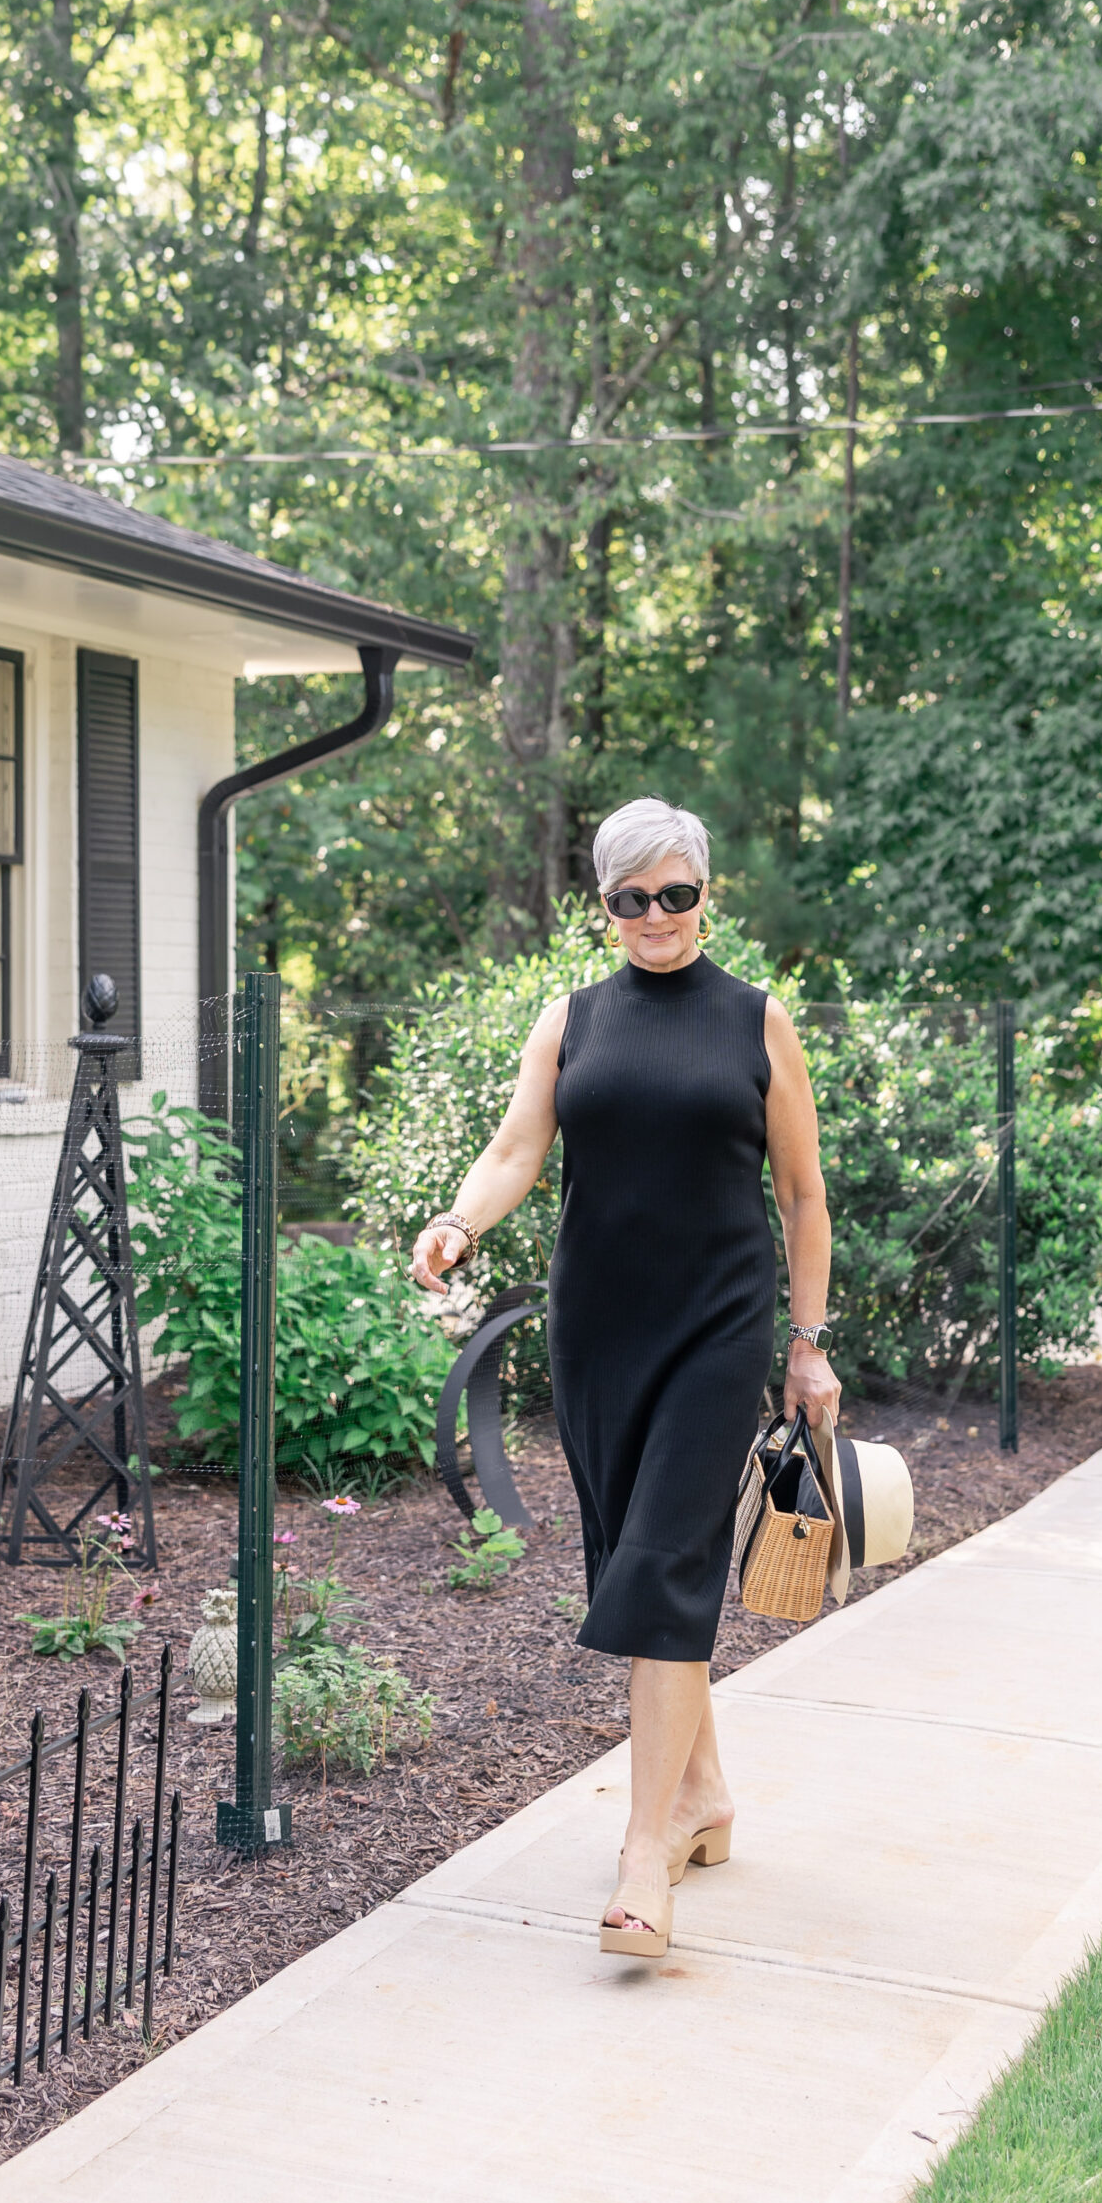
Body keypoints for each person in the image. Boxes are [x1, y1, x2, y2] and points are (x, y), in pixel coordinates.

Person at [411, 798, 840, 1958]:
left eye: (677, 893)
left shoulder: (758, 1021)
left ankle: (644, 1852)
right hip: (598, 1331)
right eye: (631, 898)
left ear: (708, 895)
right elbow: (516, 1148)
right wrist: (459, 1221)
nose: (657, 915)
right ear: (604, 910)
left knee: (665, 1560)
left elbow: (803, 1197)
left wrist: (808, 1341)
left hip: (718, 1326)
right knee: (631, 1558)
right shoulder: (572, 1019)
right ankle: (701, 1794)